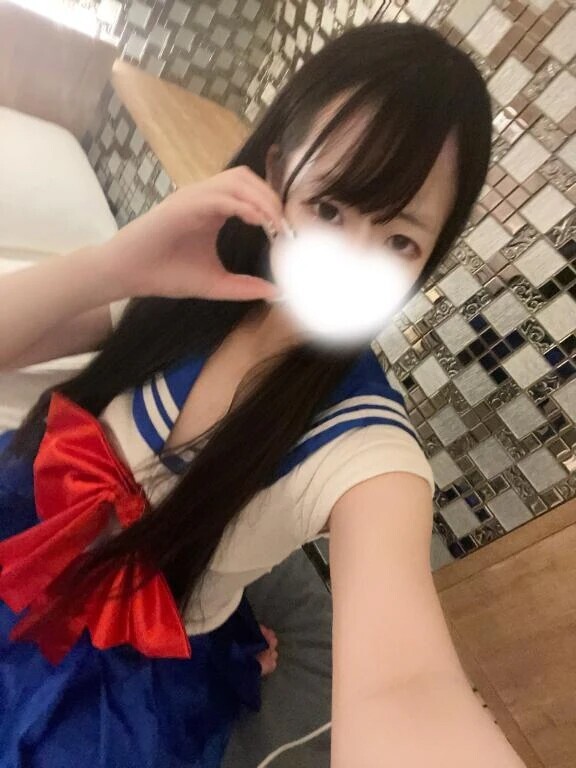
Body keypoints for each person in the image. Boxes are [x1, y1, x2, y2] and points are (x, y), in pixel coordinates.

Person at [0, 20, 526, 768]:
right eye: (330, 209)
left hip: (125, 666)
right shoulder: (189, 280)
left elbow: (407, 688)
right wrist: (116, 264)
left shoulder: (369, 449)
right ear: (277, 172)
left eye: (399, 241)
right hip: (27, 529)